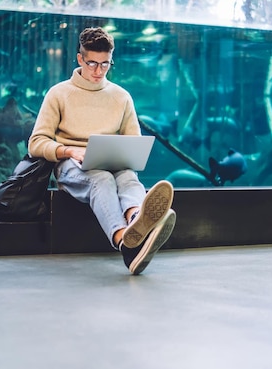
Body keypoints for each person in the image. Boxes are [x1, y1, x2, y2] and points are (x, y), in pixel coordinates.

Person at [28, 27, 176, 275]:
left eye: (105, 64)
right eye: (92, 63)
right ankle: (125, 243)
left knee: (127, 174)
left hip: (111, 162)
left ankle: (138, 218)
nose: (98, 71)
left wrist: (124, 155)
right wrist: (69, 151)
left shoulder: (121, 97)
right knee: (102, 178)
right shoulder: (59, 93)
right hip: (71, 168)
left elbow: (133, 142)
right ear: (80, 59)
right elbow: (36, 142)